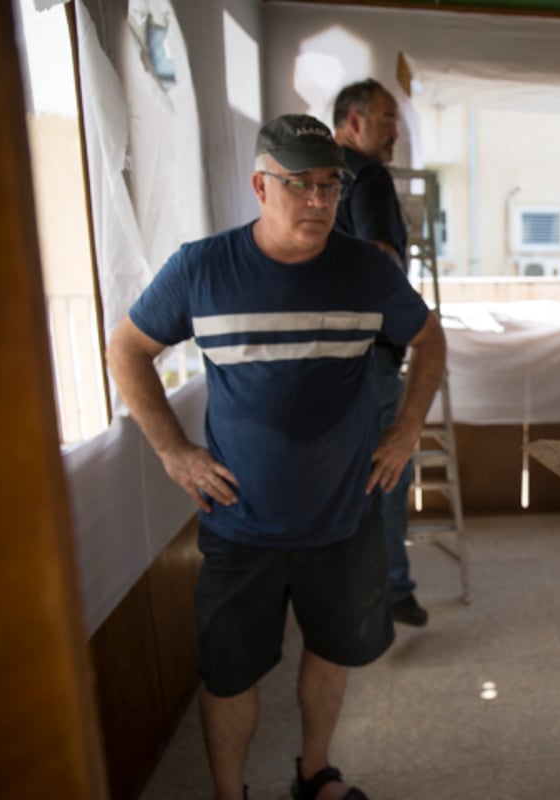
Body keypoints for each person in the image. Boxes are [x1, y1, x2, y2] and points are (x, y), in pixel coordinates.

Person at [106, 114, 445, 800]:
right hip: (239, 523)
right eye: (300, 185)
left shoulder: (365, 270)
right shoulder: (200, 268)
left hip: (345, 516)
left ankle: (314, 772)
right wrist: (174, 451)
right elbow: (127, 349)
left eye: (330, 185)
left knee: (331, 651)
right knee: (229, 674)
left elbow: (429, 339)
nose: (319, 202)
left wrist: (409, 426)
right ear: (261, 186)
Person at [332, 78, 428, 628]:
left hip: (335, 352)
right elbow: (380, 262)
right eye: (386, 118)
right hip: (371, 354)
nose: (395, 130)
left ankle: (361, 590)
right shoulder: (366, 177)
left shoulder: (324, 178)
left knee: (351, 472)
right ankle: (388, 589)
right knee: (389, 468)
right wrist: (413, 322)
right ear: (353, 122)